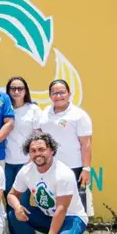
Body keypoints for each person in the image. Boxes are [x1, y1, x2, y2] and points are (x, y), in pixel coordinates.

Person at [7, 132, 87, 234]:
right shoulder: (26, 171)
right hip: (47, 216)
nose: (37, 154)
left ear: (51, 150)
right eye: (33, 151)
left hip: (71, 217)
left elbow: (61, 209)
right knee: (14, 214)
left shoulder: (63, 173)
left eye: (41, 149)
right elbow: (11, 195)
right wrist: (17, 206)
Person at [36, 79, 93, 211]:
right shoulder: (45, 112)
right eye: (54, 93)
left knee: (73, 203)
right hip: (49, 166)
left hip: (72, 166)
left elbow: (86, 143)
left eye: (62, 92)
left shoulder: (78, 115)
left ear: (69, 94)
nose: (58, 96)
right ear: (50, 96)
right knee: (53, 201)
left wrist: (86, 169)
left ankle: (73, 229)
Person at [3, 76, 42, 234]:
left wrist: (31, 159)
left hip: (25, 162)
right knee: (8, 198)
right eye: (13, 88)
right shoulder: (5, 108)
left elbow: (37, 136)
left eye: (20, 88)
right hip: (6, 161)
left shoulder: (33, 109)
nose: (16, 92)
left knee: (23, 201)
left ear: (26, 90)